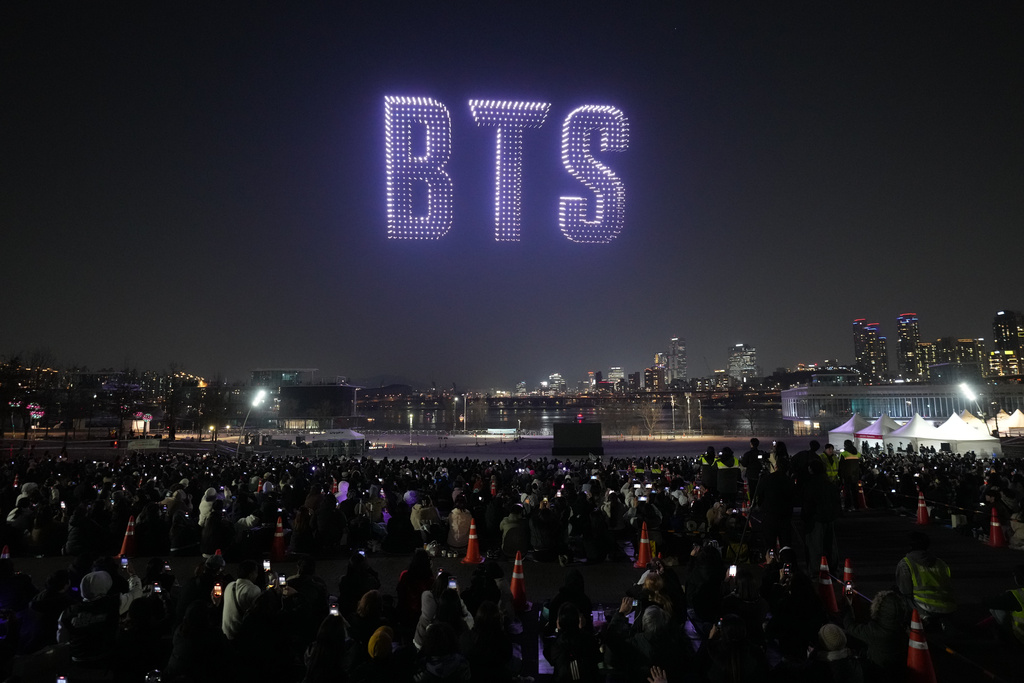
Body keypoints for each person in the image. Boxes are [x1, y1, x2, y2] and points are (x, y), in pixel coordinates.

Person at [895, 531, 956, 624]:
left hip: (925, 607)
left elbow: (905, 591)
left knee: (898, 594)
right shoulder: (940, 563)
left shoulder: (906, 564)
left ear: (910, 546)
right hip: (949, 606)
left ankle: (919, 621)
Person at [982, 564, 1024, 646]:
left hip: (1021, 639)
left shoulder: (1018, 594)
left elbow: (990, 602)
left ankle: (1008, 641)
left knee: (998, 609)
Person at [221, 559, 263, 640]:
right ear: (251, 574)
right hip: (240, 637)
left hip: (226, 635)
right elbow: (260, 614)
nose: (257, 575)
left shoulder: (229, 586)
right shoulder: (253, 589)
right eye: (256, 572)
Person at [740, 438, 765, 505]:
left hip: (751, 475)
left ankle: (752, 504)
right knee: (760, 491)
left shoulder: (748, 454)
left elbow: (744, 464)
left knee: (752, 491)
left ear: (751, 444)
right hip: (759, 475)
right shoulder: (761, 453)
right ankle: (759, 504)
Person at [839, 440, 862, 510]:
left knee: (847, 492)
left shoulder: (844, 454)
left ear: (845, 445)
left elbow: (841, 466)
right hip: (855, 475)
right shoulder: (857, 454)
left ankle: (848, 506)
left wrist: (841, 476)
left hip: (847, 475)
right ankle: (857, 506)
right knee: (855, 491)